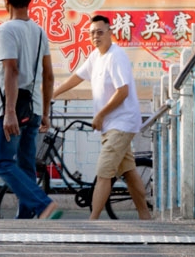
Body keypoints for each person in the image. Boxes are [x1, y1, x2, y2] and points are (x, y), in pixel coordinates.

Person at [56, 14, 152, 220]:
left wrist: (100, 115)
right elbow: (77, 77)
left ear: (110, 33)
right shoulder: (95, 56)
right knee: (128, 171)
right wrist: (52, 94)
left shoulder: (116, 56)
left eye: (100, 32)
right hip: (111, 125)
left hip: (122, 123)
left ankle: (93, 222)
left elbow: (123, 91)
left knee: (103, 172)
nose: (96, 36)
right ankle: (145, 216)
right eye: (92, 33)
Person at [0, 0, 62, 219]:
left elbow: (11, 70)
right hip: (32, 109)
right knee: (25, 165)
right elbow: (49, 76)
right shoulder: (40, 32)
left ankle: (42, 204)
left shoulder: (6, 30)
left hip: (13, 108)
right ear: (30, 0)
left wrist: (9, 111)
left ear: (5, 0)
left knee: (2, 162)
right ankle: (25, 219)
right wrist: (44, 113)